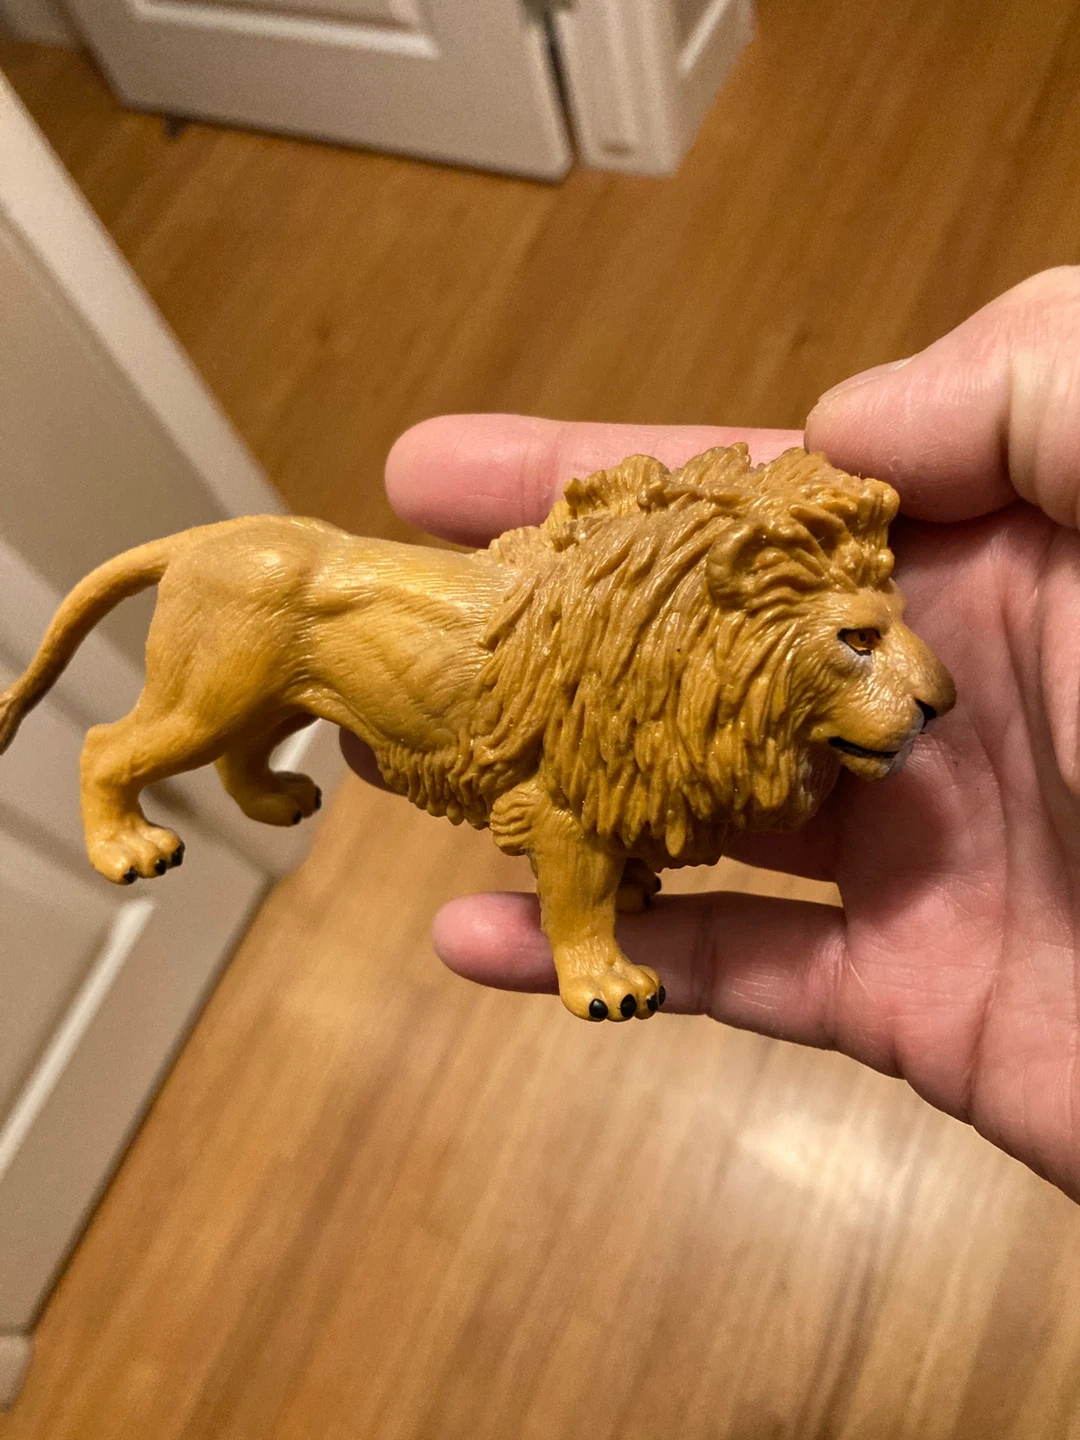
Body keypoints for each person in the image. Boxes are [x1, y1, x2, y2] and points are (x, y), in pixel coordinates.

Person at [342, 267, 1080, 1203]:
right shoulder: (630, 685)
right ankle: (580, 940)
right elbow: (569, 807)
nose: (932, 684)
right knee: (582, 803)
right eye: (859, 642)